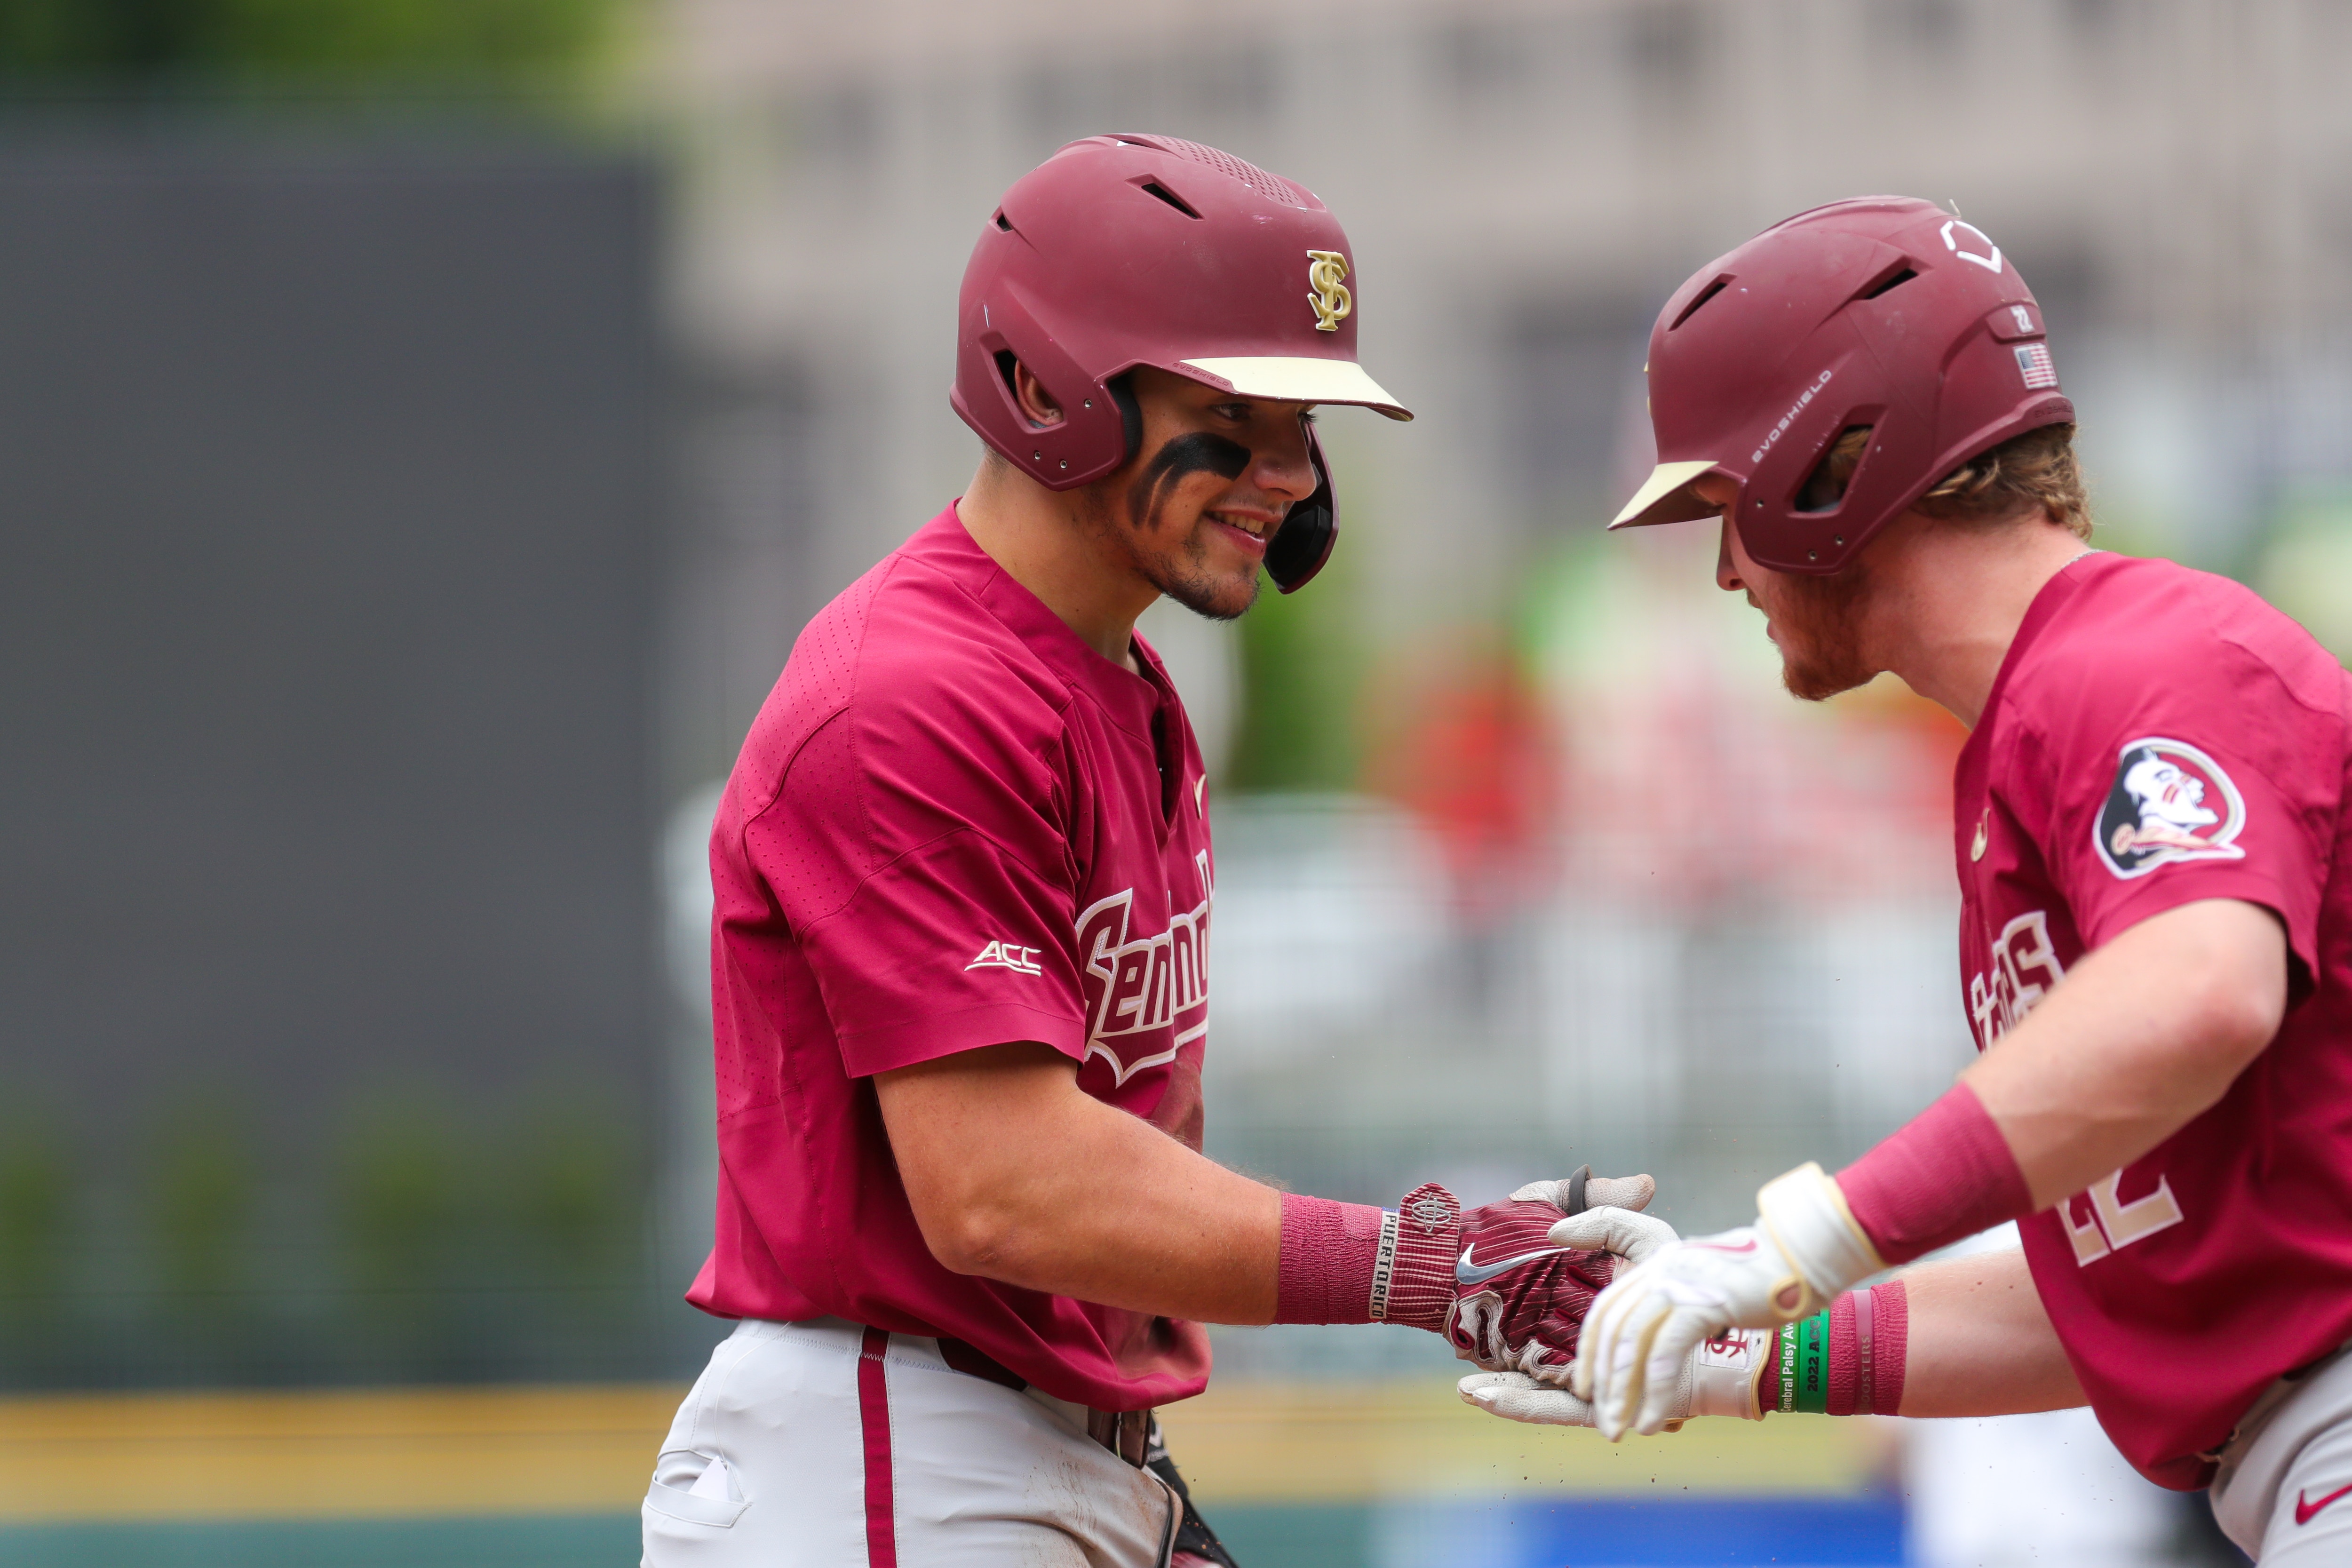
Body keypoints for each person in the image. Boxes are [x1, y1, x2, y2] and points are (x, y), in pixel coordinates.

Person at [640, 133, 1662, 1568]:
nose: (1290, 477)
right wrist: (1420, 1268)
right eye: (1241, 415)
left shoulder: (1123, 683)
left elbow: (1116, 1171)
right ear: (1056, 386)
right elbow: (1005, 1188)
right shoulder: (914, 694)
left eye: (1309, 428)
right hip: (890, 1453)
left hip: (1026, 1446)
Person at [1461, 195, 2352, 1565]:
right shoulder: (2031, 729)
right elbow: (2125, 1292)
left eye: (1723, 508)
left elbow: (2202, 993)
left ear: (1826, 474)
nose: (1719, 570)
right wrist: (1751, 1351)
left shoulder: (2142, 659)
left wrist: (1796, 1244)